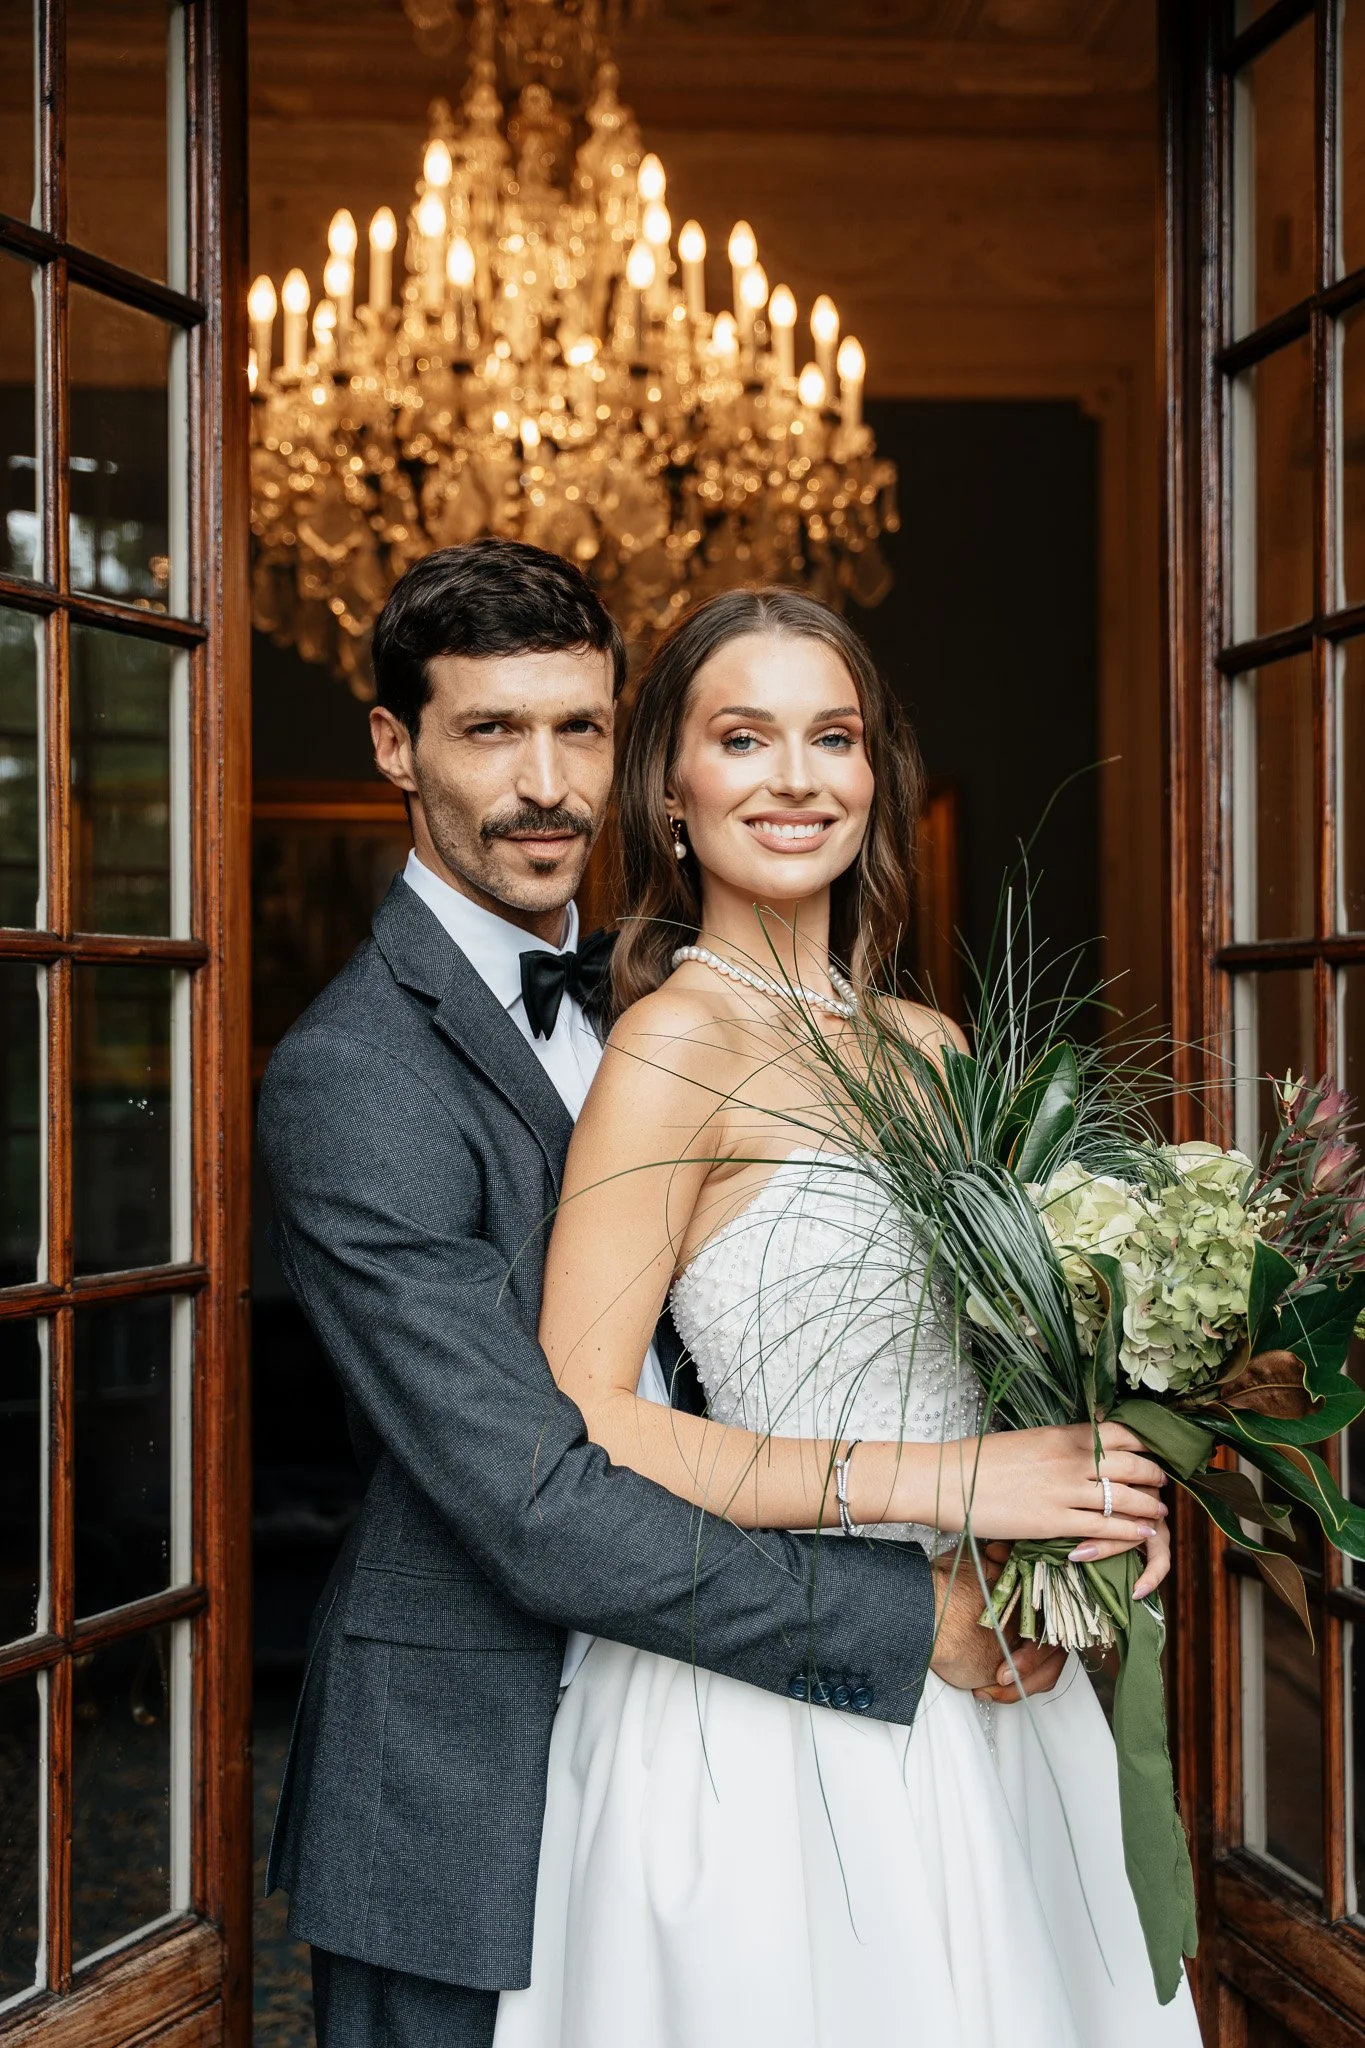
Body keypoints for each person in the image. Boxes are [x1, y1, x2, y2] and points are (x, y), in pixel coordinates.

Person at [257, 539, 1169, 2048]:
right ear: (396, 748)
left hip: (926, 1680)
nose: (544, 781)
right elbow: (541, 1482)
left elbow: (982, 1356)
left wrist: (1086, 1508)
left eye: (579, 727)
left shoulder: (883, 1039)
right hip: (489, 1746)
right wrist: (921, 1588)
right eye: (489, 729)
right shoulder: (366, 1075)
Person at [491, 586, 1199, 2048]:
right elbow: (590, 1419)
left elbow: (1013, 1370)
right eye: (744, 738)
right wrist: (956, 1484)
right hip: (780, 1705)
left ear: (877, 776)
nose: (797, 778)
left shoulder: (932, 1048)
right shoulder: (672, 1045)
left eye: (835, 737)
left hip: (999, 1673)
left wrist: (1094, 1500)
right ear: (671, 790)